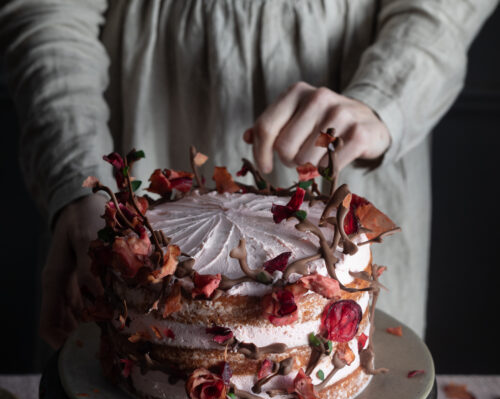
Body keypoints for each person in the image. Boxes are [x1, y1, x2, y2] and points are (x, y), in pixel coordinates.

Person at [0, 0, 497, 351]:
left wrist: (388, 97)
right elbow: (48, 9)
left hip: (351, 111)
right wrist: (75, 166)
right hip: (145, 108)